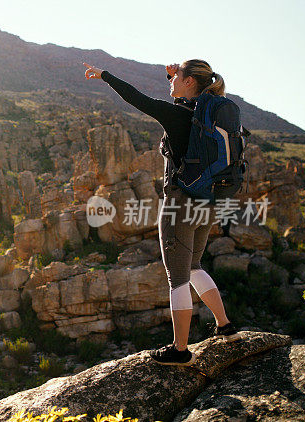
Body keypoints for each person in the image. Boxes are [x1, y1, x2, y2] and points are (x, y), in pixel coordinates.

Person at [82, 59, 240, 366]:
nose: (171, 82)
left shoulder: (176, 115)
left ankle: (180, 350)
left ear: (190, 82)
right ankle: (225, 325)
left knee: (177, 278)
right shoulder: (206, 114)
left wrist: (105, 76)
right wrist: (175, 75)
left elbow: (137, 98)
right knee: (194, 266)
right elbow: (181, 98)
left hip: (180, 203)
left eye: (176, 77)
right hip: (208, 203)